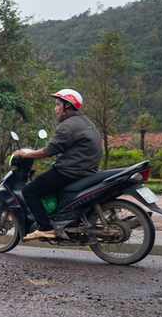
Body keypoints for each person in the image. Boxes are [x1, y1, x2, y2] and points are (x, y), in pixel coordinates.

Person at [12, 89, 101, 240]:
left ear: (68, 106)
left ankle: (45, 228)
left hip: (70, 171)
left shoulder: (68, 125)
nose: (55, 108)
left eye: (58, 104)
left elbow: (49, 150)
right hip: (87, 170)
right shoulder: (86, 122)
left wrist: (25, 154)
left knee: (29, 191)